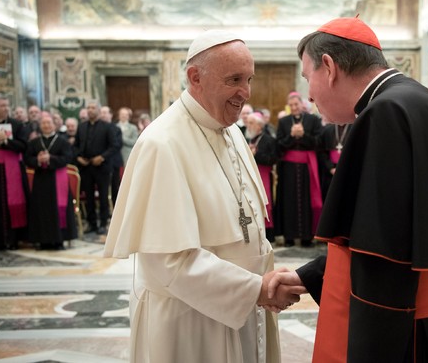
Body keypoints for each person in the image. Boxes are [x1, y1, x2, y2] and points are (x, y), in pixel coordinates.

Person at [267, 17, 428, 362]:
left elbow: (385, 265)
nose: (308, 94)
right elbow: (391, 240)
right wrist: (312, 275)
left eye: (308, 77)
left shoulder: (384, 114)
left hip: (405, 336)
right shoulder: (419, 100)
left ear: (330, 67)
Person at [103, 29, 303, 363]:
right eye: (234, 79)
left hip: (243, 306)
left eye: (249, 79)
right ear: (195, 77)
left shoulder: (231, 131)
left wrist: (262, 284)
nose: (246, 92)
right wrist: (256, 288)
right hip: (191, 322)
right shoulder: (162, 144)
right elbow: (170, 261)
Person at [274, 91, 323, 247]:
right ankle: (289, 237)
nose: (294, 107)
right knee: (288, 200)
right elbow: (279, 146)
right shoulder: (283, 122)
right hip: (288, 169)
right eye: (291, 105)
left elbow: (318, 142)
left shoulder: (313, 120)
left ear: (302, 104)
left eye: (296, 104)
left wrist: (303, 135)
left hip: (307, 168)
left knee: (307, 200)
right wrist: (291, 135)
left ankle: (307, 237)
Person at [24, 114, 77, 250]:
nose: (46, 126)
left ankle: (59, 240)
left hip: (57, 179)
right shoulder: (34, 142)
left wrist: (50, 159)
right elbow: (27, 159)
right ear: (40, 126)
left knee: (57, 209)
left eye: (49, 123)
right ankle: (43, 241)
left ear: (55, 125)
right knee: (41, 210)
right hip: (41, 181)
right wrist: (38, 160)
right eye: (44, 123)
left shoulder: (63, 141)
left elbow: (68, 158)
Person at [0, 94, 29, 251]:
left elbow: (24, 145)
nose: (6, 108)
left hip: (13, 170)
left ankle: (13, 239)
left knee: (13, 204)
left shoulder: (17, 124)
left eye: (7, 105)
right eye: (2, 105)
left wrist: (4, 141)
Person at [74, 100, 116, 235]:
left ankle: (103, 223)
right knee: (89, 196)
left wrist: (102, 157)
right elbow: (75, 146)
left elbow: (114, 146)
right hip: (86, 166)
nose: (90, 110)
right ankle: (91, 223)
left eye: (93, 108)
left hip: (101, 167)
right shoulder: (81, 127)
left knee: (103, 196)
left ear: (98, 110)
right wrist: (78, 157)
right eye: (88, 108)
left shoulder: (107, 127)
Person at [246, 112, 278, 242]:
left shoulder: (268, 140)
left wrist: (256, 155)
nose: (248, 125)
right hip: (251, 175)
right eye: (248, 122)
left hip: (264, 175)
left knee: (266, 203)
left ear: (259, 126)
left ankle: (268, 233)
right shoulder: (249, 139)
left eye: (251, 123)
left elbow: (273, 159)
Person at [318, 121, 352, 201]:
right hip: (330, 172)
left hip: (348, 170)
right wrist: (330, 168)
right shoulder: (327, 130)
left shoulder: (354, 127)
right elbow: (322, 152)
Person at [100, 106, 124, 206]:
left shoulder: (116, 129)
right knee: (103, 190)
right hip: (102, 164)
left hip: (114, 162)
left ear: (110, 115)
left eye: (105, 112)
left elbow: (117, 145)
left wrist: (104, 155)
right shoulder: (98, 129)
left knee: (115, 188)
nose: (103, 115)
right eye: (101, 113)